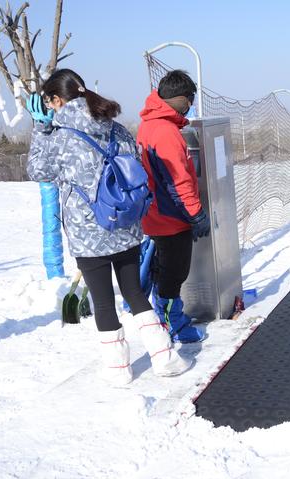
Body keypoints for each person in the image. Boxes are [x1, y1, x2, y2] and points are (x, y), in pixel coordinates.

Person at [27, 69, 190, 386]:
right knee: (136, 294)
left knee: (103, 301)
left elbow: (37, 171)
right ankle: (166, 358)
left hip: (89, 235)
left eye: (50, 103)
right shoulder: (115, 128)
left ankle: (118, 371)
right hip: (126, 224)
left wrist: (40, 129)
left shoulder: (59, 138)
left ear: (57, 100)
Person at [137, 70, 209, 344]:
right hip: (171, 217)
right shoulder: (166, 132)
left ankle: (166, 319)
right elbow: (178, 180)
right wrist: (195, 215)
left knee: (164, 269)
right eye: (189, 99)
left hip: (156, 213)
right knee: (174, 273)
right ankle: (174, 325)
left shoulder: (149, 124)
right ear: (179, 98)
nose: (190, 104)